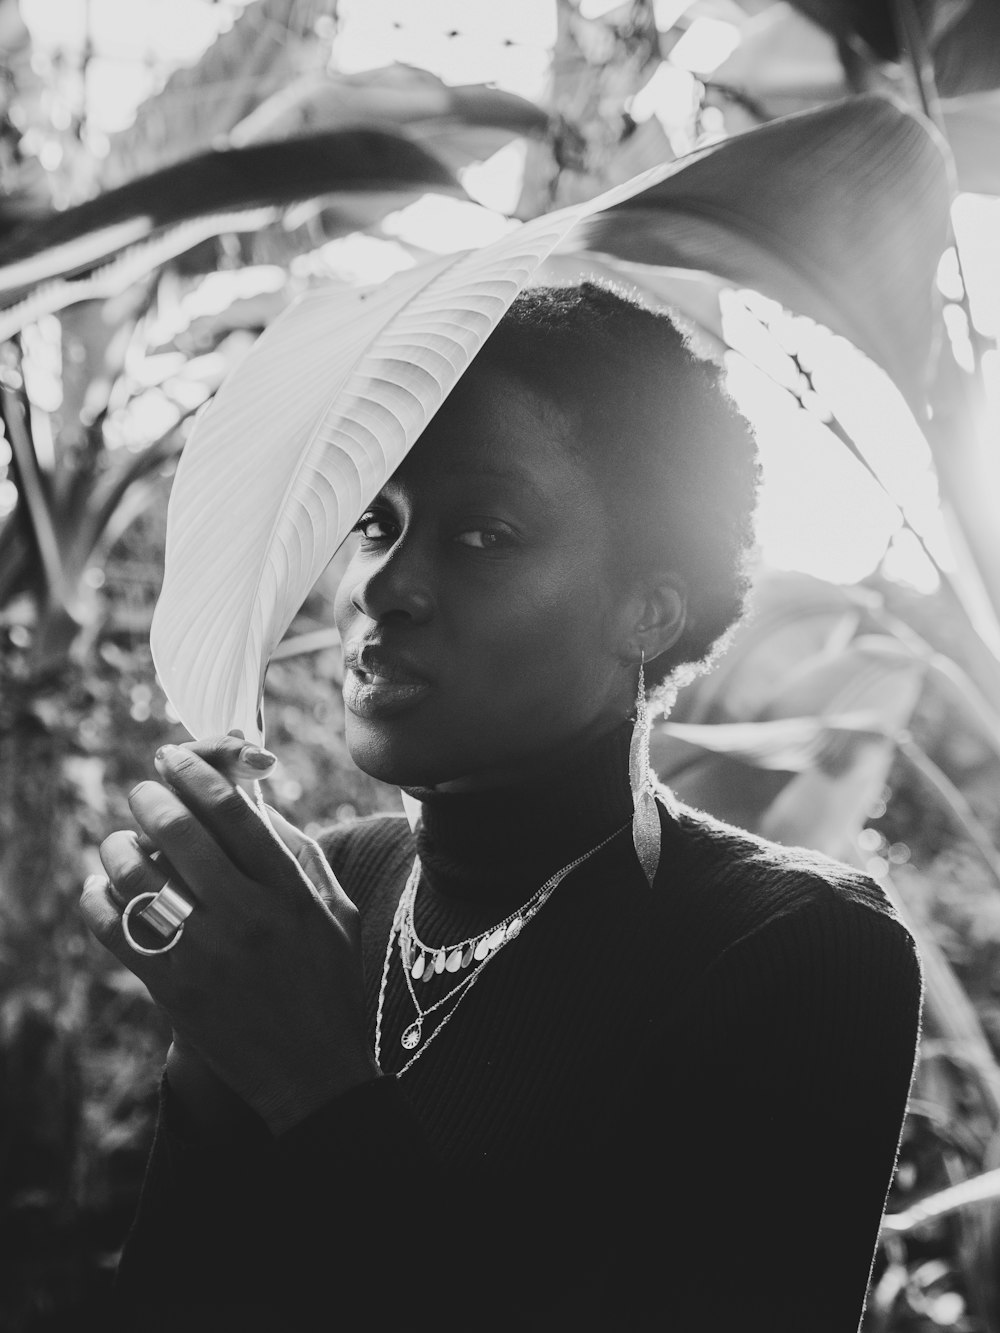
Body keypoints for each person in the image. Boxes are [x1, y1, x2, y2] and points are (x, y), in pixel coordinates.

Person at [81, 282, 922, 1332]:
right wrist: (213, 1048)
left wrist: (315, 1079)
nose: (383, 586)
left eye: (482, 534)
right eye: (378, 522)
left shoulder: (798, 951)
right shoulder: (319, 893)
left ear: (647, 609)